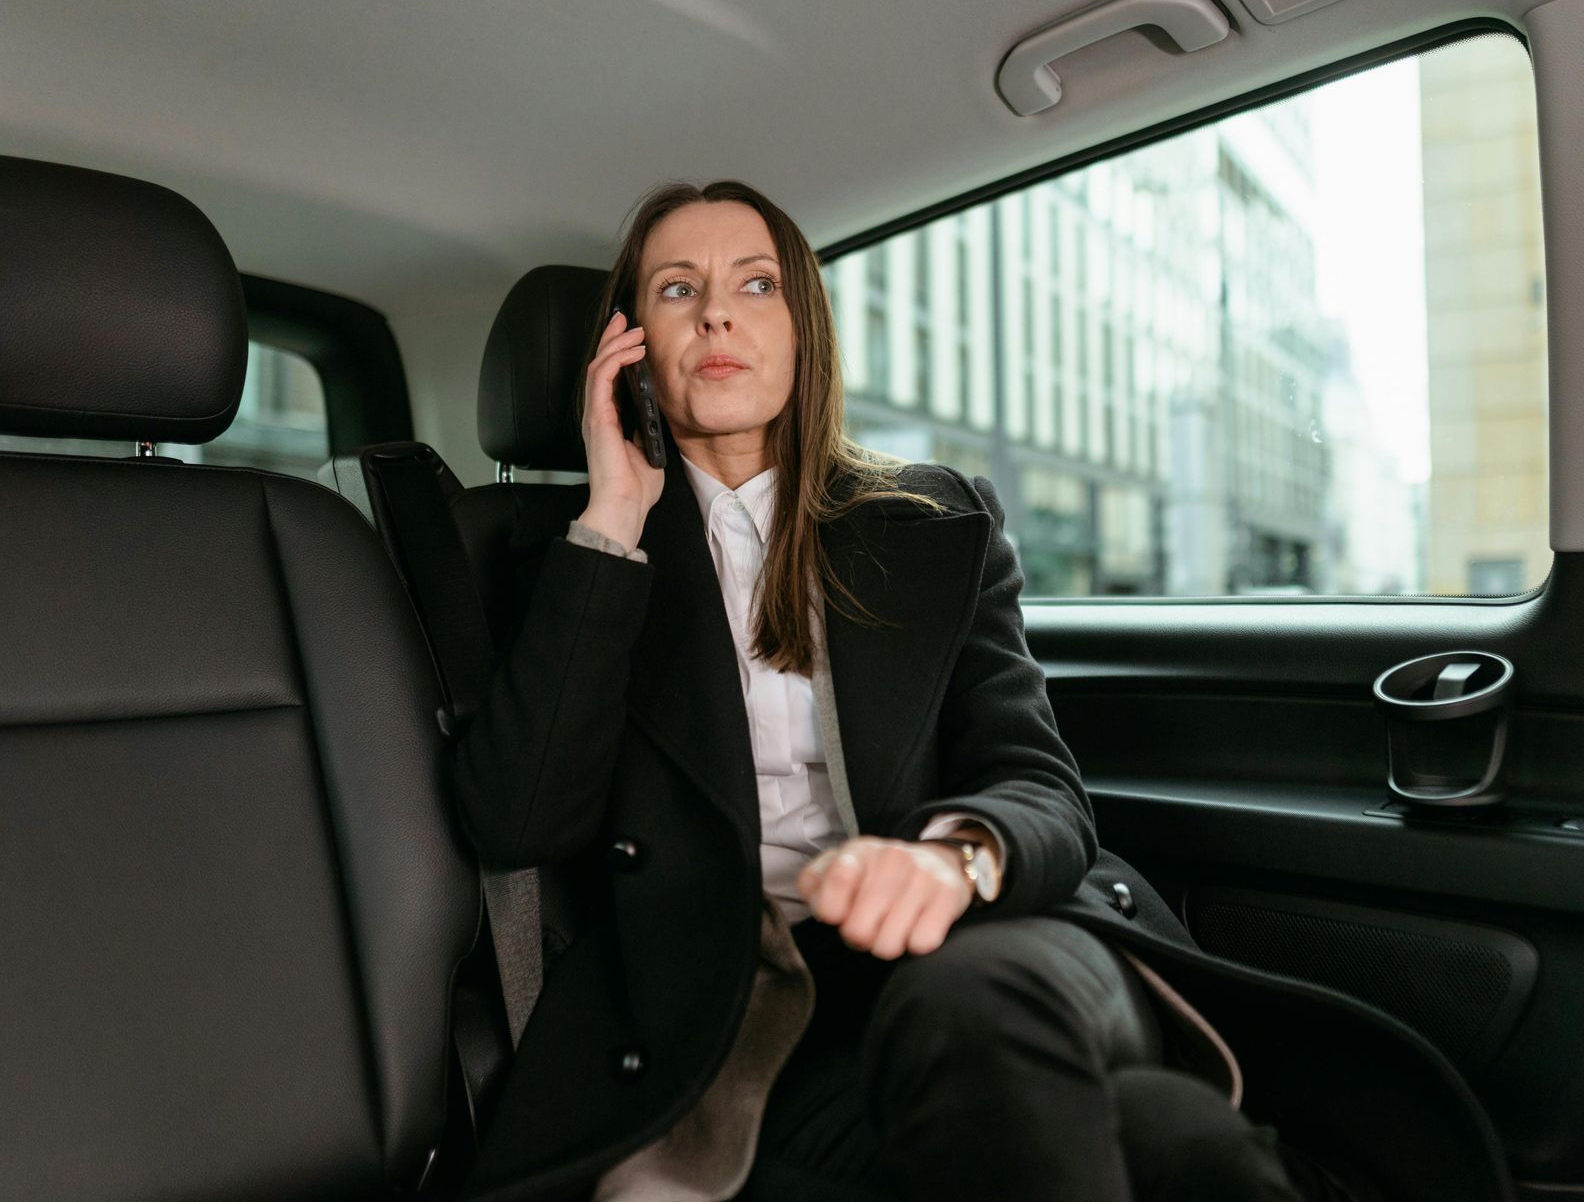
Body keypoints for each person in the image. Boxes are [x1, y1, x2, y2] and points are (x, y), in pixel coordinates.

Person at [449, 180, 1347, 1202]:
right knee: (1173, 1141)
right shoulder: (575, 565)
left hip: (987, 937)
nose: (716, 314)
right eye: (676, 289)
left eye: (756, 284)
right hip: (745, 1016)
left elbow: (1041, 786)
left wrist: (949, 860)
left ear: (806, 328)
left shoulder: (935, 523)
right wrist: (612, 521)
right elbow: (516, 819)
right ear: (632, 345)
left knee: (972, 1002)